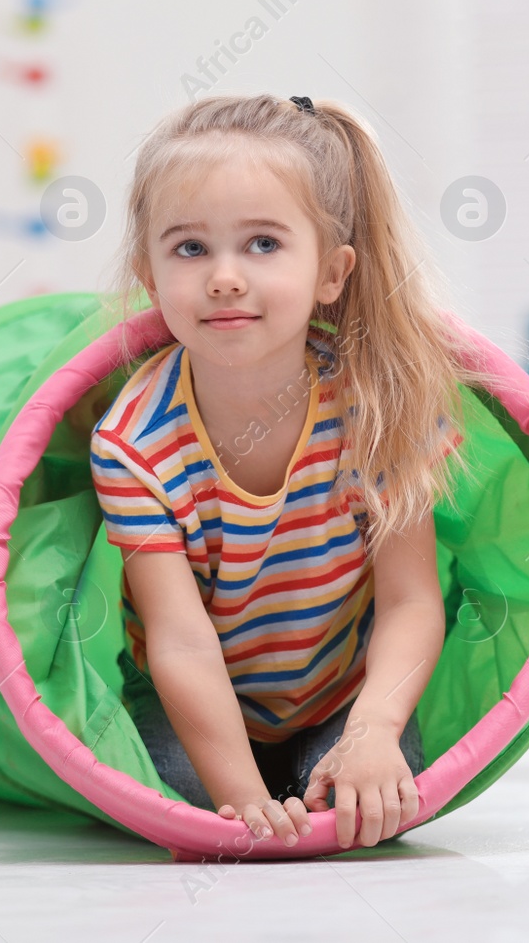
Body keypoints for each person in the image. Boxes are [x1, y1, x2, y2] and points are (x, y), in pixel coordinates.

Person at [88, 93, 483, 850]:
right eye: (190, 248)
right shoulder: (134, 443)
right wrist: (244, 805)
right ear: (148, 271)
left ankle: (338, 755)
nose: (226, 277)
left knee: (382, 789)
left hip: (339, 695)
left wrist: (372, 729)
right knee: (183, 796)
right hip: (198, 704)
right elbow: (179, 640)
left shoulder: (376, 406)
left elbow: (410, 602)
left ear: (331, 273)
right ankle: (250, 785)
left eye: (263, 244)